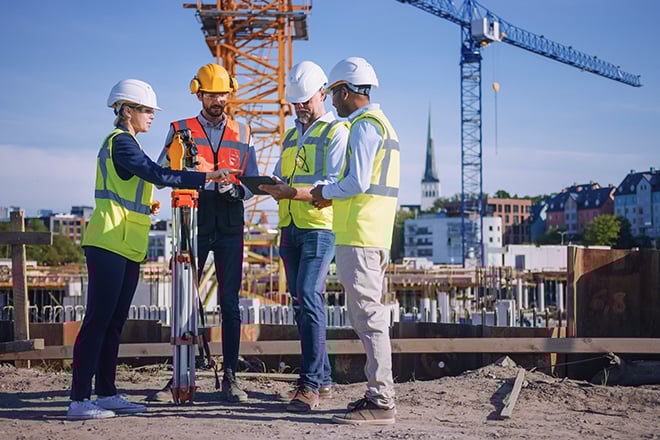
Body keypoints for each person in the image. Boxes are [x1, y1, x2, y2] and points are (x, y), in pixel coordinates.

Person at [68, 79, 235, 420]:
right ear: (126, 110)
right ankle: (79, 399)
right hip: (108, 242)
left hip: (127, 244)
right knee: (97, 321)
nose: (151, 116)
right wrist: (208, 177)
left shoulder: (131, 143)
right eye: (146, 110)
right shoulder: (122, 143)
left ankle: (107, 392)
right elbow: (157, 174)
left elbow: (139, 183)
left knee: (114, 322)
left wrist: (148, 207)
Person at [158, 63, 259, 402]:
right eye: (212, 94)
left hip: (231, 221)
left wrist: (239, 190)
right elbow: (163, 173)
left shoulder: (243, 132)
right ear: (198, 93)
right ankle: (179, 377)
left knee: (230, 302)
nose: (218, 100)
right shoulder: (179, 129)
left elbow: (253, 182)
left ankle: (231, 376)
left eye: (223, 94)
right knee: (186, 299)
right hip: (193, 220)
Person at [310, 57, 400, 425]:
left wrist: (323, 192)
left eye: (333, 94)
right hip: (371, 233)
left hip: (361, 235)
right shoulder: (383, 124)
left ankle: (380, 400)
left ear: (345, 91)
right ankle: (378, 395)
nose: (332, 102)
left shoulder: (364, 127)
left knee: (368, 315)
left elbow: (357, 182)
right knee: (368, 314)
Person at [258, 61, 349, 412]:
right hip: (289, 228)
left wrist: (289, 192)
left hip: (318, 228)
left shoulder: (336, 133)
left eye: (305, 101)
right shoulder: (291, 135)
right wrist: (265, 185)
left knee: (310, 295)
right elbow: (284, 176)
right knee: (300, 302)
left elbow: (332, 184)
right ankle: (324, 379)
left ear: (322, 94)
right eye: (294, 102)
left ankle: (309, 385)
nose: (299, 107)